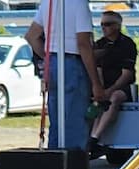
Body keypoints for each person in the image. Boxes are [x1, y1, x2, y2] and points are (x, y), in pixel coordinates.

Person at [26, 0, 105, 150]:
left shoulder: (48, 3)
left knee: (57, 122)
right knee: (74, 121)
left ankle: (55, 159)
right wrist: (96, 83)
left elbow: (31, 36)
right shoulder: (79, 4)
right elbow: (83, 43)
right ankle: (73, 162)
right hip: (73, 63)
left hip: (53, 62)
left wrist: (47, 58)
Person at [87, 10, 138, 157]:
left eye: (108, 24)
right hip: (103, 86)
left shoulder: (127, 44)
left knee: (114, 97)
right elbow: (98, 70)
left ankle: (95, 138)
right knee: (97, 101)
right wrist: (100, 89)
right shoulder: (100, 44)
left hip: (122, 87)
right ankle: (92, 139)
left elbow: (127, 74)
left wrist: (109, 91)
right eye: (102, 24)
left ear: (117, 26)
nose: (104, 27)